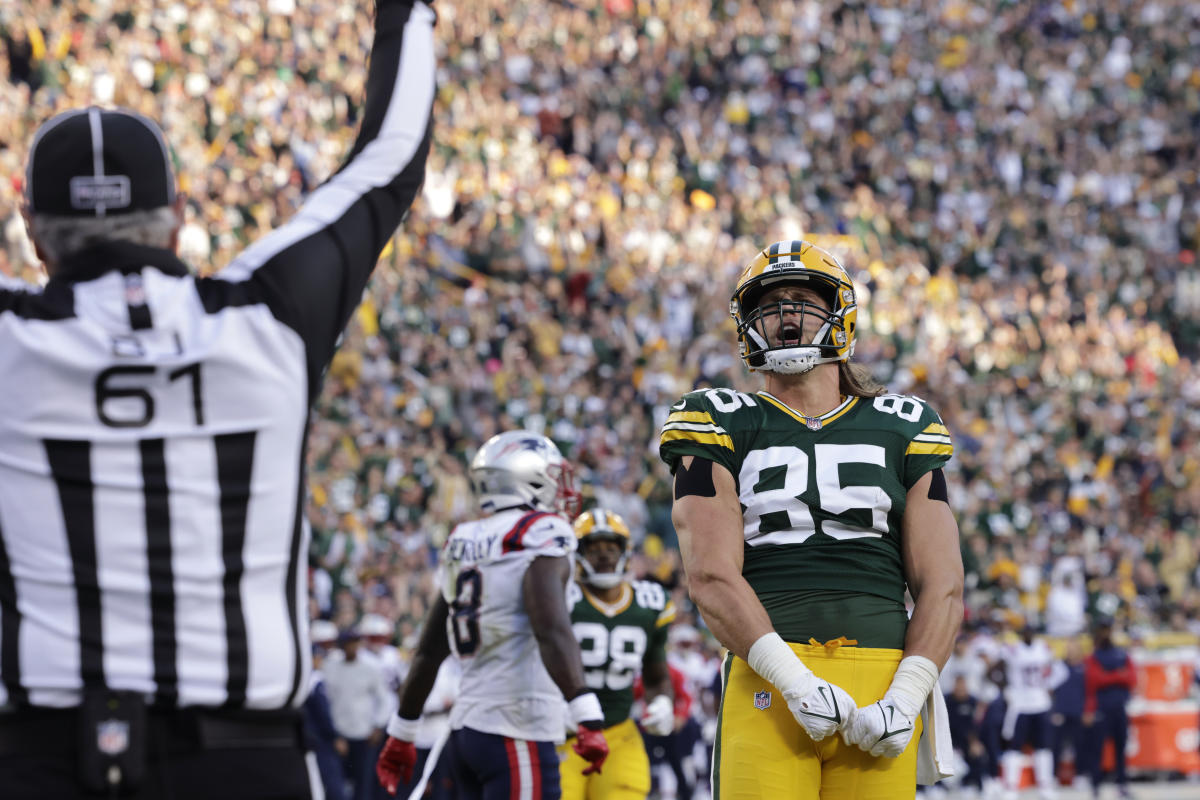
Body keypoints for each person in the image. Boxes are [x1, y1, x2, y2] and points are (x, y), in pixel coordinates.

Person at [0, 2, 435, 798]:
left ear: (31, 229)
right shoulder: (269, 321)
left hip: (45, 755)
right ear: (179, 219)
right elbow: (389, 160)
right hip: (243, 758)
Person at [658, 239, 963, 798]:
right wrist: (792, 679)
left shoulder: (904, 424)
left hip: (882, 683)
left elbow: (943, 584)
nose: (784, 315)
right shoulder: (715, 418)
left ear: (840, 312)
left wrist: (908, 694)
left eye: (802, 299)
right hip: (770, 677)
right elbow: (709, 574)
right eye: (768, 305)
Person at [375, 431, 609, 798]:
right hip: (517, 726)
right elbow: (549, 626)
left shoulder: (464, 537)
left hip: (467, 731)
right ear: (527, 480)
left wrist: (402, 731)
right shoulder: (540, 532)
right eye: (552, 476)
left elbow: (430, 649)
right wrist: (586, 711)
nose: (562, 488)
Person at [561, 508, 675, 800]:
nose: (604, 555)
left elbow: (656, 675)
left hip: (619, 732)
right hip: (561, 734)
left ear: (625, 550)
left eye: (611, 547)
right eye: (594, 547)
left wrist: (662, 702)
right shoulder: (560, 599)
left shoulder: (649, 603)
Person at [324, 629, 392, 800]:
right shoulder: (331, 667)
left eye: (355, 642)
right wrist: (334, 734)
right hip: (340, 735)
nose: (352, 647)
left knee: (364, 784)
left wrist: (378, 726)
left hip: (365, 735)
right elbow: (327, 702)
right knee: (339, 785)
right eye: (348, 643)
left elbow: (385, 699)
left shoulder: (370, 667)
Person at [998, 625, 1063, 800]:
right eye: (1025, 632)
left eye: (1030, 632)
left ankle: (1045, 784)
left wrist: (1048, 686)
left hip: (1040, 703)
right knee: (1014, 747)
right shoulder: (1012, 649)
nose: (1028, 635)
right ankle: (1011, 786)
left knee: (1043, 746)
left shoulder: (1043, 647)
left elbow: (1059, 670)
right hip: (1019, 705)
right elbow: (997, 669)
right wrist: (1007, 689)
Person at [1083, 618, 1135, 799]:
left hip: (1119, 708)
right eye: (1102, 630)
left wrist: (1109, 676)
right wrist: (1117, 675)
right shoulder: (1093, 656)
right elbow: (1094, 680)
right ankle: (1096, 786)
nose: (1105, 634)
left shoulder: (1121, 654)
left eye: (1107, 630)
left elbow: (1131, 678)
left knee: (1121, 748)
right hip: (1101, 708)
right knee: (1097, 749)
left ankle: (1121, 785)